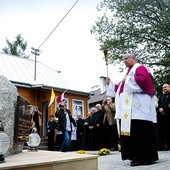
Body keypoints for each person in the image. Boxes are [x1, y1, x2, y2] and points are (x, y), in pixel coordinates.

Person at [106, 52, 158, 166]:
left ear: (133, 58)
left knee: (140, 130)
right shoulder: (127, 72)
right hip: (129, 109)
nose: (124, 61)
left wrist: (127, 79)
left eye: (126, 58)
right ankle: (134, 155)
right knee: (133, 131)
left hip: (139, 107)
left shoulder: (140, 68)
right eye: (123, 59)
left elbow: (144, 80)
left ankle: (144, 157)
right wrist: (111, 83)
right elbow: (120, 88)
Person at [157, 83, 170, 150]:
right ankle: (161, 146)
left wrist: (164, 109)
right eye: (163, 88)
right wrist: (160, 109)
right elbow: (159, 104)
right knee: (161, 131)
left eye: (165, 87)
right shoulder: (161, 97)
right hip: (161, 117)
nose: (164, 88)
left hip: (168, 115)